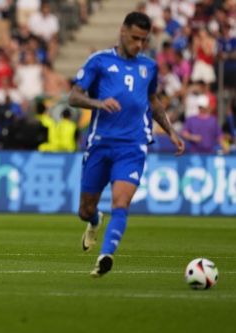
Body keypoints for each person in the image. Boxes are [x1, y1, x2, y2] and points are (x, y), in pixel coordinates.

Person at [68, 12, 184, 277]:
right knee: (85, 210)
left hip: (132, 146)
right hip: (100, 144)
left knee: (121, 202)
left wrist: (171, 131)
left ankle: (106, 255)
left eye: (143, 40)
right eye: (134, 38)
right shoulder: (99, 61)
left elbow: (153, 101)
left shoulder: (149, 67)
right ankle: (95, 221)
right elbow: (74, 96)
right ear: (122, 31)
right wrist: (98, 103)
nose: (139, 45)